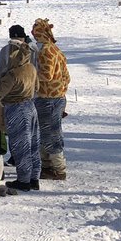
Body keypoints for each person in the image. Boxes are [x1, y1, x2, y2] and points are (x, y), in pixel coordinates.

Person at [0, 39, 41, 191]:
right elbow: (37, 87)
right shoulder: (32, 68)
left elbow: (1, 92)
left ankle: (23, 180)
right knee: (34, 144)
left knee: (20, 146)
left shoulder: (12, 74)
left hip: (16, 109)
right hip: (31, 107)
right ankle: (34, 177)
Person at [32, 18, 70, 181]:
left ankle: (58, 168)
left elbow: (46, 74)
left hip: (48, 98)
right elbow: (67, 77)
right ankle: (47, 165)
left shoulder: (46, 50)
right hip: (57, 97)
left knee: (51, 134)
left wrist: (30, 78)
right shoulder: (55, 49)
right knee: (47, 132)